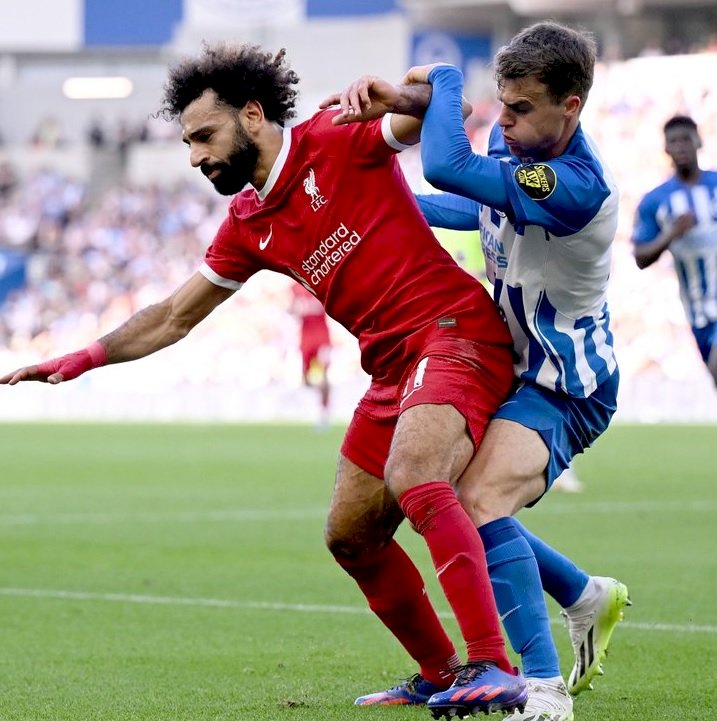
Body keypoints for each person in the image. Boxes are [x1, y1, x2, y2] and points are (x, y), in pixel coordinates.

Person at [0, 44, 528, 719]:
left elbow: (439, 113)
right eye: (188, 143)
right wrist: (81, 358)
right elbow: (172, 316)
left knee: (416, 474)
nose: (195, 157)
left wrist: (400, 96)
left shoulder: (335, 134)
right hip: (391, 365)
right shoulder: (247, 224)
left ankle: (493, 666)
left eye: (204, 136)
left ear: (252, 115)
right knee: (350, 535)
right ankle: (441, 671)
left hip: (453, 332)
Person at [322, 20, 630, 721]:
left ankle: (542, 686)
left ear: (571, 106)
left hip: (565, 382)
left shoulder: (575, 185)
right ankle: (582, 594)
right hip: (514, 366)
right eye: (503, 104)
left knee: (479, 498)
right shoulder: (517, 147)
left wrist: (442, 81)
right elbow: (469, 203)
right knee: (450, 499)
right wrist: (382, 208)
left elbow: (446, 167)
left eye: (520, 108)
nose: (506, 121)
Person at [631, 114, 717, 387]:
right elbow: (641, 257)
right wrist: (671, 233)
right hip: (699, 313)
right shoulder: (656, 200)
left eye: (685, 139)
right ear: (666, 148)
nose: (680, 147)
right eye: (673, 141)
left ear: (698, 141)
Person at [289, 281, 332, 426]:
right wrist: (295, 310)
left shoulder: (319, 281)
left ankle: (324, 412)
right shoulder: (295, 287)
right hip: (305, 339)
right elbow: (292, 309)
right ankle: (318, 406)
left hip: (321, 338)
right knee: (306, 380)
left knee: (322, 376)